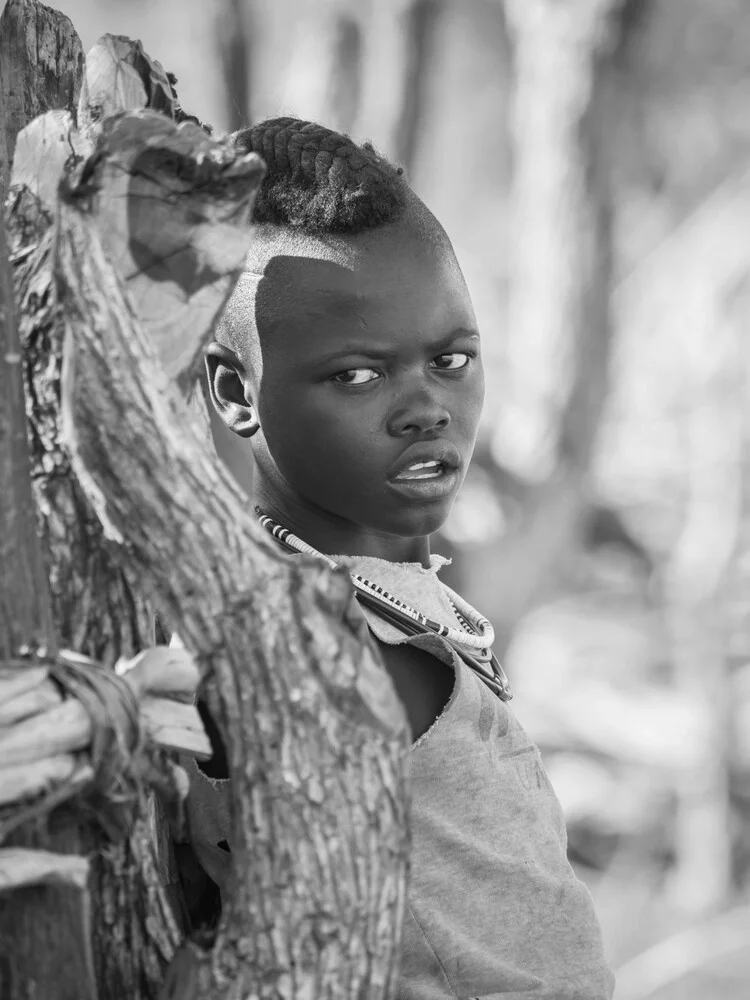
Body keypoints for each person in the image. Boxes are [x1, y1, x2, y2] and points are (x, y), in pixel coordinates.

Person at [181, 116, 615, 999]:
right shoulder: (324, 649)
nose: (427, 408)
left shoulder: (391, 606)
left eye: (451, 359)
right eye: (356, 376)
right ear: (235, 392)